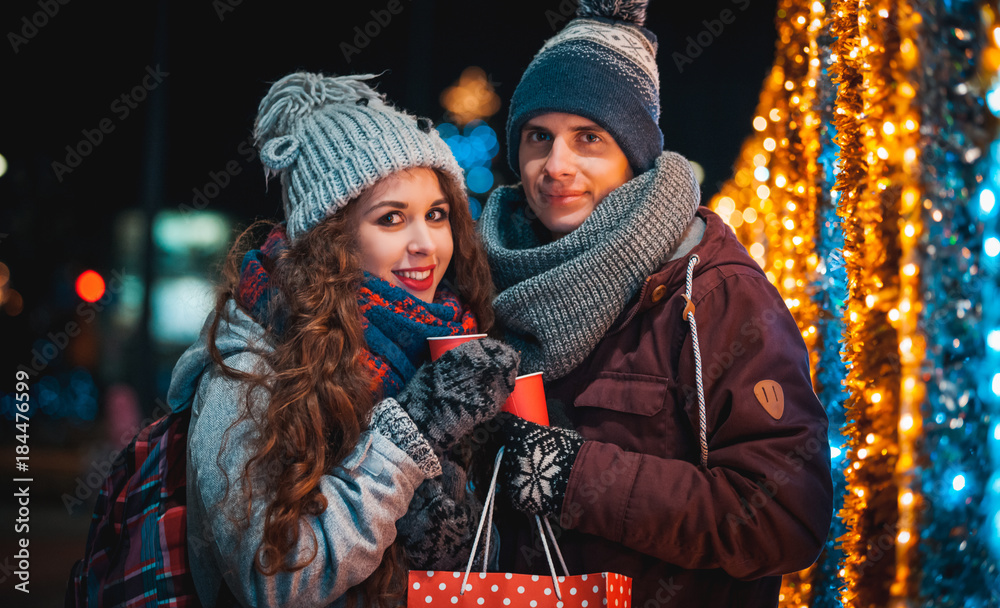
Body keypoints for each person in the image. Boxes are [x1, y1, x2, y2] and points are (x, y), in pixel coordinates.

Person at [477, 1, 834, 606]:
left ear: (635, 157)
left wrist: (572, 476)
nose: (555, 166)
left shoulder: (715, 293)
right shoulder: (489, 283)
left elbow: (785, 516)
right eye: (539, 137)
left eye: (588, 138)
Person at [165, 72, 518, 607]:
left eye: (437, 215)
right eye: (391, 218)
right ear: (332, 239)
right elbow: (277, 582)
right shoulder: (250, 371)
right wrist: (409, 437)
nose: (425, 243)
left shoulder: (449, 343)